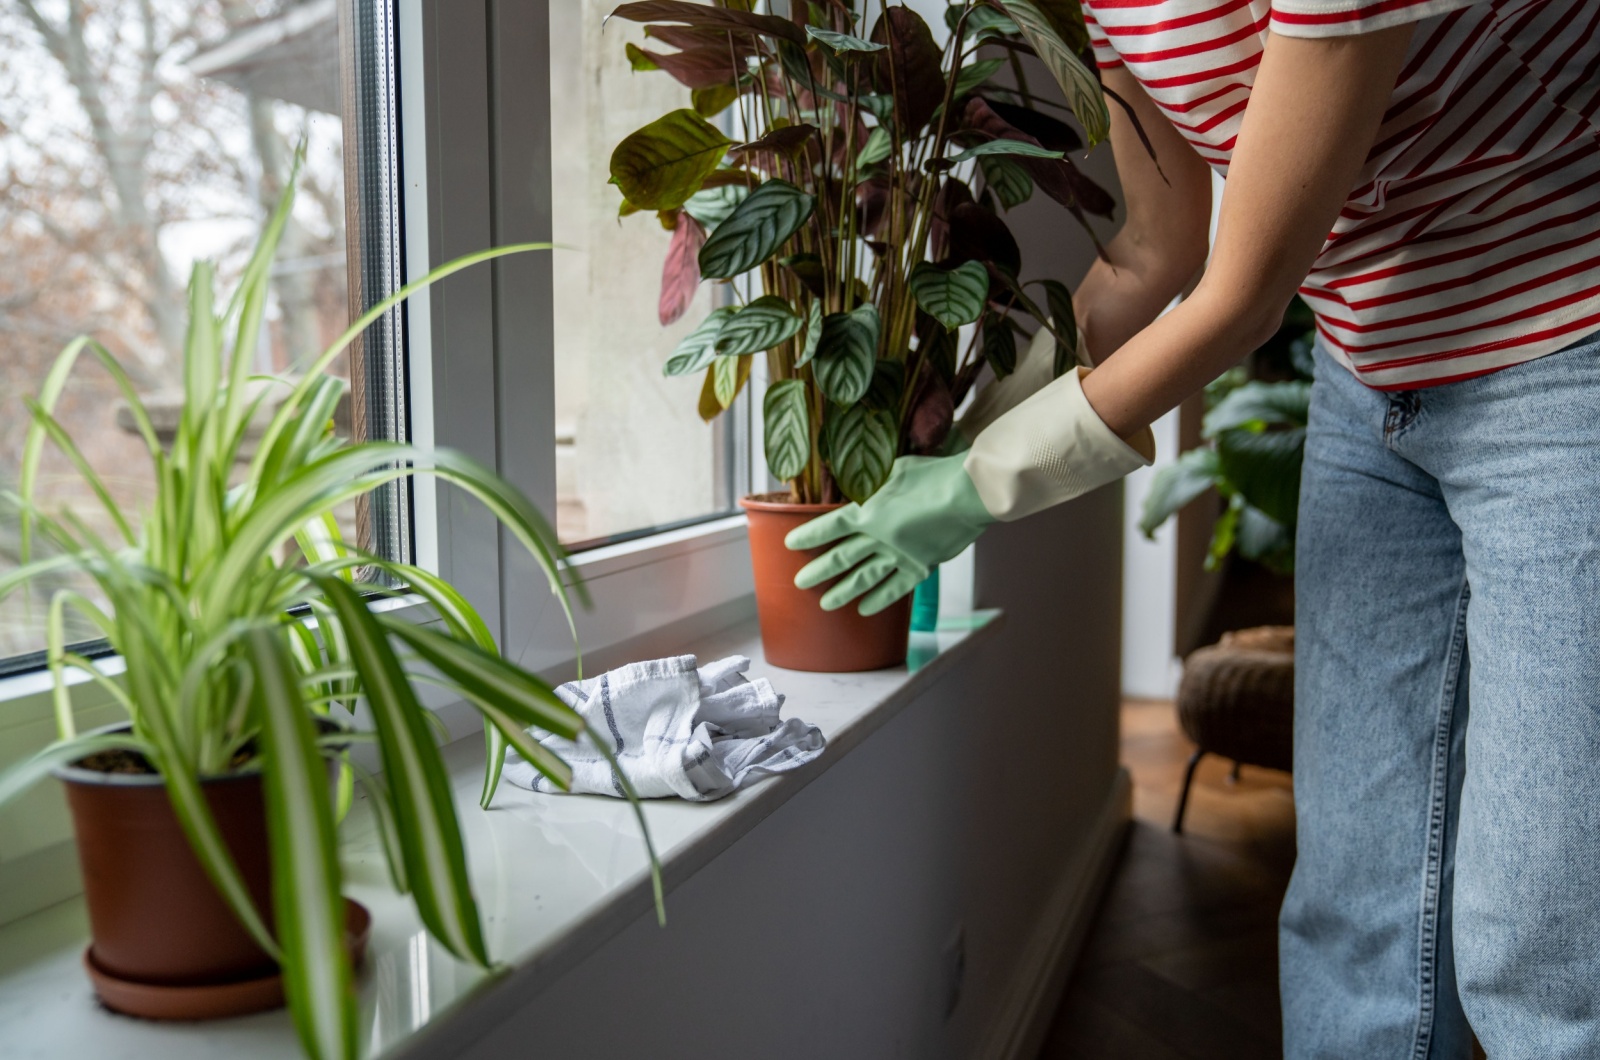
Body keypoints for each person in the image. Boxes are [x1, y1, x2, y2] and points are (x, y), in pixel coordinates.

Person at [785, 0, 1600, 1054]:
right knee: (1357, 912)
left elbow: (1242, 298)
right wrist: (972, 421)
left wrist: (985, 481)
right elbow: (1151, 249)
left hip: (1564, 355)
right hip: (1372, 371)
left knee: (1534, 946)